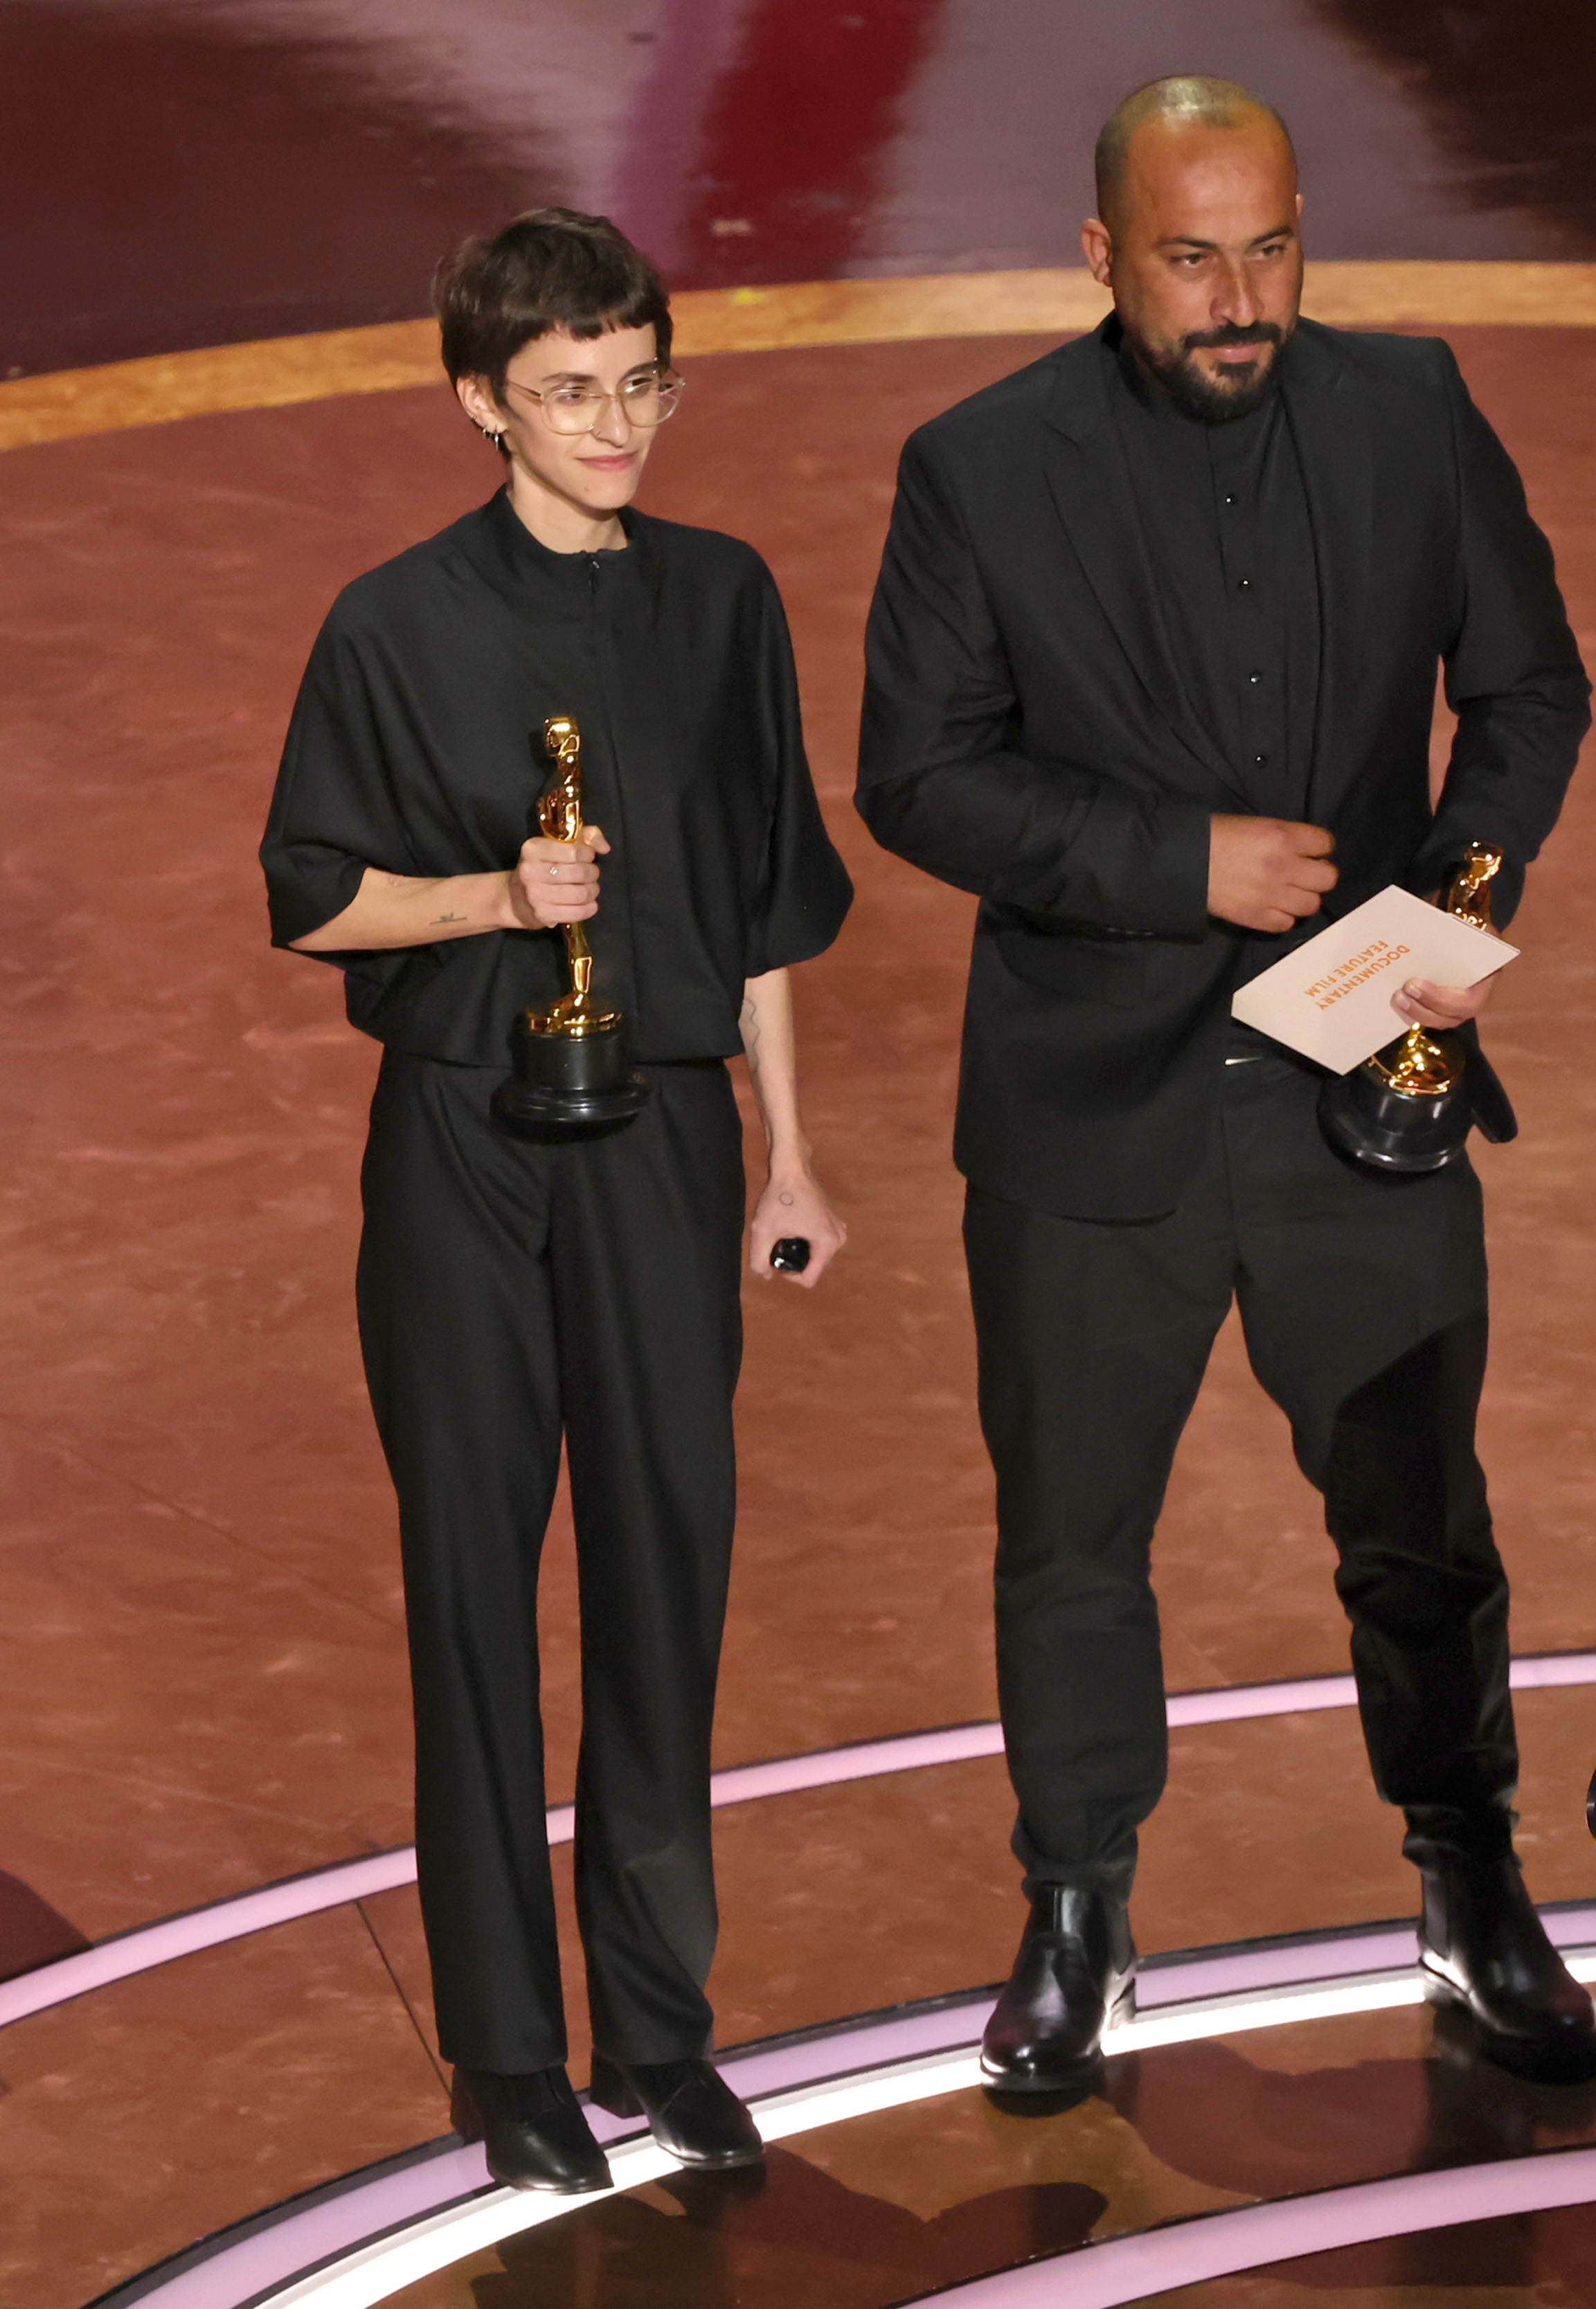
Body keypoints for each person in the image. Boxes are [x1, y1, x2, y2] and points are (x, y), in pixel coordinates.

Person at [857, 75, 1596, 2090]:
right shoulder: (979, 469)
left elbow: (1531, 692)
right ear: (1103, 258)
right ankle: (1077, 1915)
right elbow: (915, 770)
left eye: (1269, 245)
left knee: (1422, 1520)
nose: (1240, 295)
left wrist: (1429, 940)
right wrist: (1172, 861)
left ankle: (1472, 1872)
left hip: (1369, 1059)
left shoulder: (1413, 411)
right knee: (1075, 1538)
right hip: (1095, 1105)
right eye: (1191, 257)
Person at [259, 208, 854, 2193]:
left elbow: (767, 903)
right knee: (476, 1598)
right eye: (571, 394)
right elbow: (318, 894)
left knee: (666, 1584)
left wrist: (788, 1147)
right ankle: (513, 2053)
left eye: (639, 384)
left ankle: (658, 2031)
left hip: (667, 1138)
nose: (617, 426)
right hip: (460, 1146)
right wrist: (503, 897)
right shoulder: (392, 621)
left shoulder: (723, 599)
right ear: (479, 404)